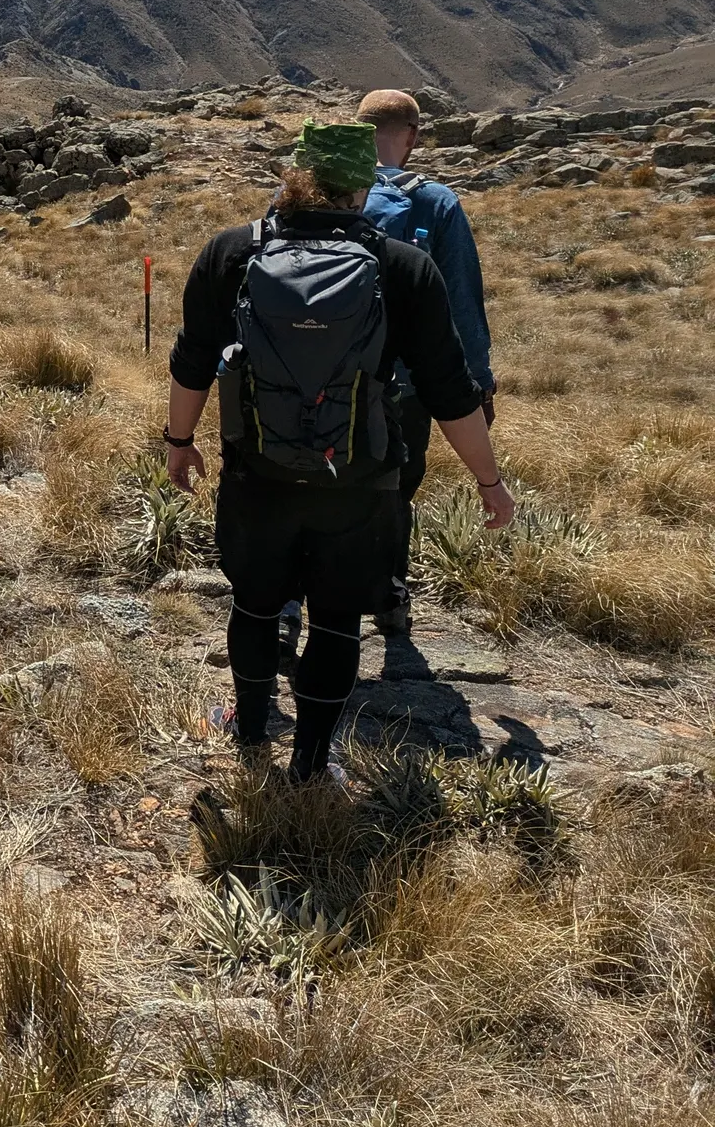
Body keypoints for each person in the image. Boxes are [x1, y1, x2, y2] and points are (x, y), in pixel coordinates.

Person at [165, 120, 513, 783]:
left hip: (256, 472)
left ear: (290, 178)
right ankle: (313, 765)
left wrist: (179, 442)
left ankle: (249, 735)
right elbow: (449, 392)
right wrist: (489, 482)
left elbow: (192, 363)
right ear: (363, 187)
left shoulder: (231, 252)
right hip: (358, 482)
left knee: (256, 604)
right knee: (333, 621)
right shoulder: (403, 266)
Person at [357, 89, 496, 638]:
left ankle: (291, 606)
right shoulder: (435, 202)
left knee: (309, 482)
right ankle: (389, 594)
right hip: (404, 383)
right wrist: (477, 383)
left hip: (312, 374)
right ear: (411, 137)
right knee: (395, 484)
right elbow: (461, 302)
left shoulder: (309, 191)